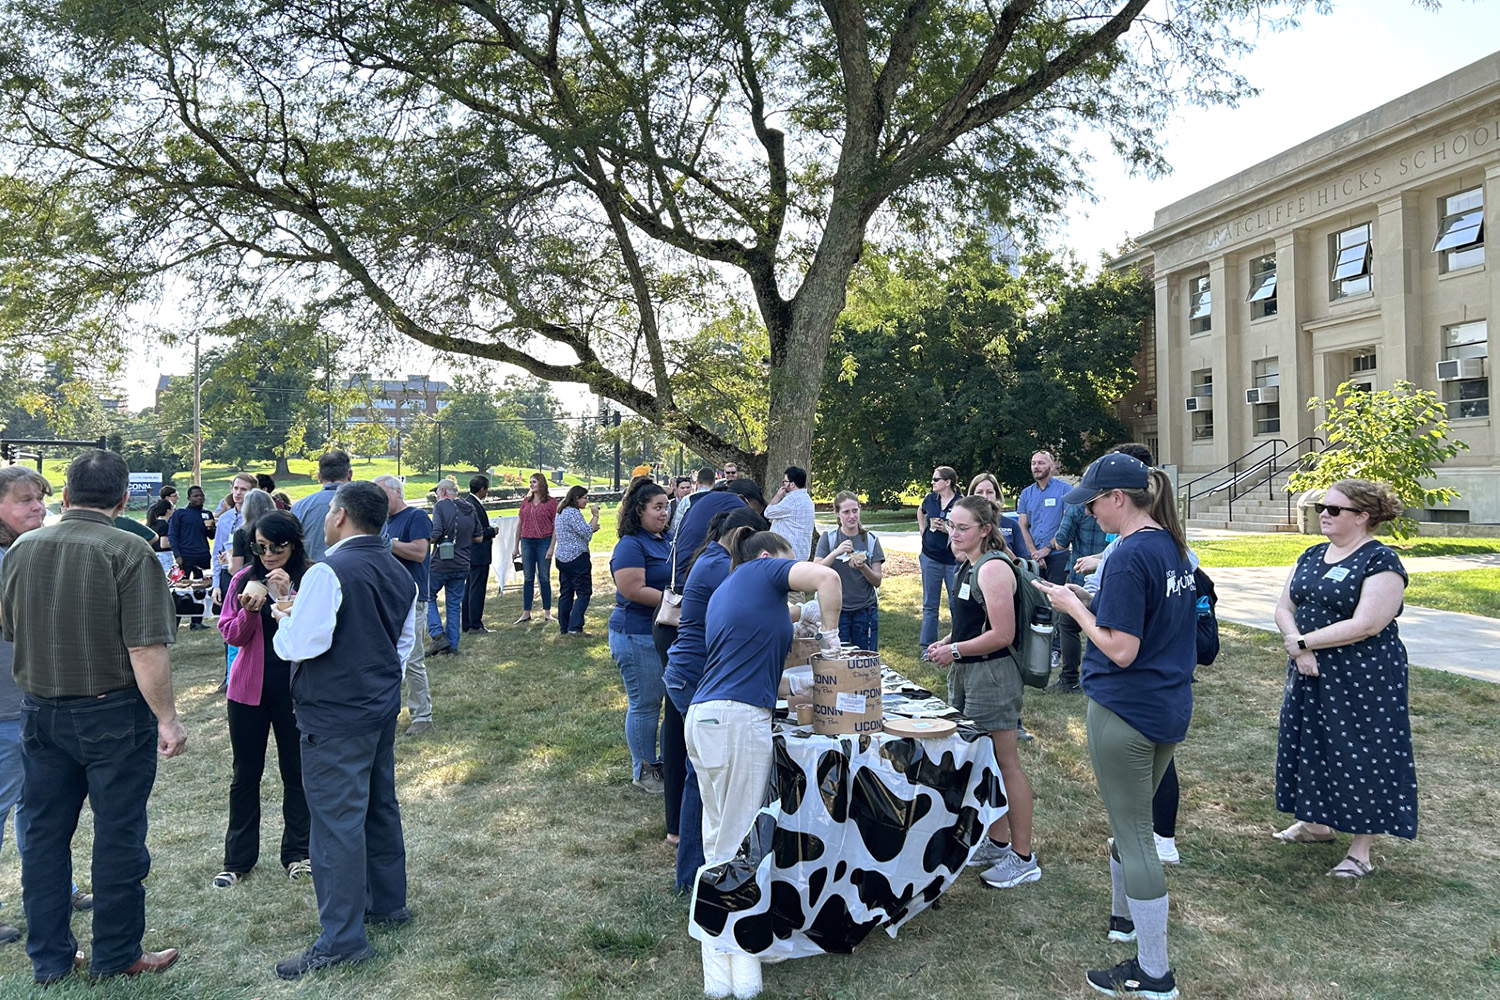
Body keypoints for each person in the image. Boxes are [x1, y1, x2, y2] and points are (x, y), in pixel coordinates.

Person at [0, 450, 185, 983]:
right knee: (119, 836)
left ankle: (51, 961)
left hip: (39, 711)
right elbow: (146, 647)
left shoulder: (22, 549)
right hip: (113, 713)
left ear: (64, 495)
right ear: (124, 500)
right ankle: (117, 954)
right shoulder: (131, 550)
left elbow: (11, 629)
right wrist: (168, 719)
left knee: (42, 838)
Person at [1032, 452, 1196, 1000]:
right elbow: (1141, 615)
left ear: (1118, 499)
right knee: (1130, 822)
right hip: (1167, 706)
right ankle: (1125, 920)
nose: (1089, 513)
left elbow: (1121, 650)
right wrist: (1089, 598)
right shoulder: (1169, 544)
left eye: (1093, 503)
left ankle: (1155, 974)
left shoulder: (1126, 555)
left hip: (1127, 709)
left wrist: (1071, 609)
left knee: (1134, 836)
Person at [270, 481, 416, 980]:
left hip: (334, 714)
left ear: (340, 516)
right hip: (377, 708)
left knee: (335, 825)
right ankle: (388, 903)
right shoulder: (398, 570)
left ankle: (341, 940)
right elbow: (401, 644)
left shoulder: (329, 570)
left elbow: (301, 646)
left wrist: (282, 617)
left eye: (332, 510)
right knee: (379, 805)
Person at [686, 530, 840, 998]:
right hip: (736, 724)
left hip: (707, 717)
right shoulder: (760, 569)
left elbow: (746, 672)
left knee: (719, 839)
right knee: (735, 846)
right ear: (771, 558)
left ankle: (728, 957)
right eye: (788, 567)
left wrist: (796, 691)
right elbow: (828, 577)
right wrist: (831, 640)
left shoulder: (729, 593)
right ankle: (733, 965)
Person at [1272, 479, 1415, 878]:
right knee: (1309, 740)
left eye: (1334, 509)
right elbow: (1285, 606)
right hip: (1308, 669)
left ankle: (1360, 851)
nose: (1324, 514)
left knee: (1360, 751)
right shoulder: (1313, 553)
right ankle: (1315, 824)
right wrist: (1299, 647)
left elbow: (1368, 623)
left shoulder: (1380, 561)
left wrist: (1302, 642)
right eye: (1322, 506)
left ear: (1363, 517)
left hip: (1362, 676)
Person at [923, 496, 1038, 891]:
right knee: (984, 762)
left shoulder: (991, 570)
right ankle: (998, 841)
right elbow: (974, 624)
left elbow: (1002, 634)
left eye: (962, 528)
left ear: (984, 530)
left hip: (993, 676)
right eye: (950, 526)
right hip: (969, 672)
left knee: (1006, 762)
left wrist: (953, 650)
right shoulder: (967, 566)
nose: (953, 534)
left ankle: (1023, 858)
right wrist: (949, 641)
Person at [663, 506, 771, 891]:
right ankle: (693, 876)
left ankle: (695, 871)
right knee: (702, 774)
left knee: (702, 773)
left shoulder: (715, 557)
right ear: (743, 534)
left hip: (693, 674)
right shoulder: (718, 566)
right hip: (693, 677)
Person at [215, 510, 312, 888]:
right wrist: (248, 611)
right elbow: (231, 636)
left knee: (297, 774)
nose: (269, 554)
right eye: (261, 546)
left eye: (278, 546)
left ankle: (298, 853)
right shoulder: (244, 579)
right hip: (247, 692)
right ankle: (237, 861)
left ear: (295, 543)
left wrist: (287, 596)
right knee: (245, 776)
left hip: (295, 690)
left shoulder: (312, 577)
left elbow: (314, 635)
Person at [0, 467, 53, 944]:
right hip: (4, 709)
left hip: (34, 703)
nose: (36, 507)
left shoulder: (28, 549)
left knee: (38, 806)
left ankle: (58, 887)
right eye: (23, 500)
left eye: (40, 498)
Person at [608, 480, 672, 793]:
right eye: (657, 507)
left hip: (662, 632)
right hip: (635, 634)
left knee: (664, 702)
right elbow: (632, 590)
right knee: (646, 704)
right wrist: (678, 604)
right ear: (639, 510)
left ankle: (659, 762)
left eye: (666, 506)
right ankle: (644, 770)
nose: (664, 512)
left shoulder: (666, 539)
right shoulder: (630, 545)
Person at [374, 476, 434, 736]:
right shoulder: (382, 523)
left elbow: (420, 553)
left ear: (397, 492)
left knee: (412, 660)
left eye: (382, 494)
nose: (378, 500)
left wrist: (388, 543)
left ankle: (422, 716)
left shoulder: (416, 516)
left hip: (412, 599)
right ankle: (389, 713)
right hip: (386, 598)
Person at [1050, 494, 1111, 694]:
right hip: (1108, 578)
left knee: (1067, 626)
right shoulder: (1113, 513)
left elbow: (1060, 542)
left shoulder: (1076, 508)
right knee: (1106, 626)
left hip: (1080, 576)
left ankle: (1069, 678)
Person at [814, 491, 885, 650]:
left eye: (855, 510)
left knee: (865, 659)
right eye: (846, 512)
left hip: (865, 610)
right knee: (839, 659)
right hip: (835, 611)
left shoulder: (870, 540)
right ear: (837, 514)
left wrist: (863, 567)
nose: (852, 516)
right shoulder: (829, 538)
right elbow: (815, 570)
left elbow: (877, 580)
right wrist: (836, 552)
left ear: (860, 509)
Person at [426, 477, 480, 656]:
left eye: (437, 493)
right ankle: (453, 646)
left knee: (426, 596)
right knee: (454, 604)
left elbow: (435, 534)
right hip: (463, 563)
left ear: (442, 492)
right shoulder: (470, 508)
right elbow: (478, 537)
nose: (436, 496)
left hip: (441, 563)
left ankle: (437, 634)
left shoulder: (440, 507)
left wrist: (422, 540)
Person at [916, 465, 961, 657]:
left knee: (956, 604)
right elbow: (921, 510)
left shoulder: (961, 503)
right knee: (930, 604)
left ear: (947, 482)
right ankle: (927, 647)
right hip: (930, 557)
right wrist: (923, 529)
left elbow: (965, 527)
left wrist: (948, 530)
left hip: (953, 560)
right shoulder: (930, 499)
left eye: (936, 480)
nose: (932, 483)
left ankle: (959, 644)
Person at [1017, 451, 1072, 584]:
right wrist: (1034, 553)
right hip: (1033, 559)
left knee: (1057, 599)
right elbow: (1022, 526)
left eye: (1041, 463)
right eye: (1033, 463)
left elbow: (1067, 524)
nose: (1036, 466)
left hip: (1058, 556)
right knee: (1035, 600)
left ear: (1052, 466)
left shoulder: (1066, 490)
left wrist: (1046, 549)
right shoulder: (1026, 493)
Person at [551, 486, 599, 636]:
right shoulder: (573, 513)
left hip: (562, 558)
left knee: (566, 592)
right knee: (584, 592)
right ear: (576, 498)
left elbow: (581, 531)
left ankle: (564, 627)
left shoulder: (561, 511)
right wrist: (595, 516)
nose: (587, 501)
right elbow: (586, 534)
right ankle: (575, 627)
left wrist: (590, 527)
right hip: (577, 557)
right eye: (584, 498)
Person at [167, 484, 216, 629]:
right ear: (189, 498)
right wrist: (177, 555)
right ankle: (175, 622)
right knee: (180, 589)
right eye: (196, 496)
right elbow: (172, 535)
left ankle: (197, 622)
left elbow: (212, 537)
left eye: (201, 495)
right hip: (185, 556)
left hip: (203, 556)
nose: (199, 498)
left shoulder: (207, 514)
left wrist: (212, 528)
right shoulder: (180, 514)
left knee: (201, 589)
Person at [512, 473, 558, 625]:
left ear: (541, 483)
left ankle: (547, 612)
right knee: (528, 578)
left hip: (544, 541)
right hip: (527, 541)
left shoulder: (551, 503)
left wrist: (551, 547)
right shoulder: (526, 502)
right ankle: (526, 612)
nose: (531, 485)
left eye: (534, 482)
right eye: (530, 482)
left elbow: (555, 526)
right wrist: (515, 546)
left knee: (544, 577)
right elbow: (519, 524)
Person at [291, 450, 352, 561]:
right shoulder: (364, 505)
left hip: (311, 571)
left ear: (319, 477)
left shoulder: (300, 507)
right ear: (350, 475)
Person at [461, 476, 499, 634]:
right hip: (478, 553)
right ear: (482, 489)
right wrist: (492, 531)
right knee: (477, 589)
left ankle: (467, 623)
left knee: (469, 588)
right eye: (487, 489)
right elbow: (475, 531)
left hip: (470, 554)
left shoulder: (466, 502)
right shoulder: (473, 505)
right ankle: (475, 624)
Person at [212, 472, 256, 604]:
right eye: (236, 488)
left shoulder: (257, 519)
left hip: (250, 574)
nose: (238, 493)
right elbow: (216, 552)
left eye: (243, 489)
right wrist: (216, 584)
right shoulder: (225, 518)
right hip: (227, 574)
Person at [969, 473, 1029, 560]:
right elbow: (959, 556)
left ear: (996, 495)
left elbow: (1024, 563)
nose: (985, 496)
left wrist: (1004, 551)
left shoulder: (1011, 525)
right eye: (979, 492)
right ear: (972, 495)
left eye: (989, 492)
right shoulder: (963, 523)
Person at [763, 465, 816, 560]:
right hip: (802, 553)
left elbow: (768, 513)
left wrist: (778, 496)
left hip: (788, 554)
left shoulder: (792, 500)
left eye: (785, 481)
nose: (783, 484)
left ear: (792, 484)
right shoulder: (808, 500)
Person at [230, 489, 277, 578]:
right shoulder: (277, 529)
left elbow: (235, 570)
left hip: (252, 580)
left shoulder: (241, 533)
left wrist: (229, 560)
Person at [670, 467, 715, 534]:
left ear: (697, 482)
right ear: (713, 483)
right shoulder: (719, 499)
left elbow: (677, 526)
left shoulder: (686, 500)